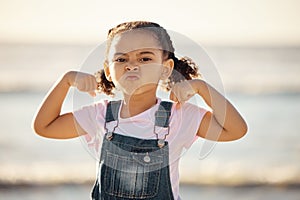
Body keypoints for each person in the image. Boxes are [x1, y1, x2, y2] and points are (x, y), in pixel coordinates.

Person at [33, 21, 247, 200]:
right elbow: (45, 127)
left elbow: (235, 130)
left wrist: (202, 88)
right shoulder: (99, 115)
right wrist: (66, 81)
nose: (131, 65)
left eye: (145, 58)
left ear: (166, 68)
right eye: (121, 59)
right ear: (109, 70)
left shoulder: (179, 116)